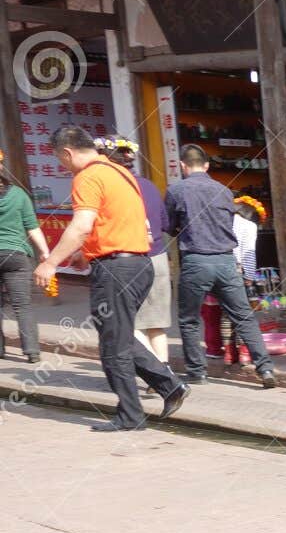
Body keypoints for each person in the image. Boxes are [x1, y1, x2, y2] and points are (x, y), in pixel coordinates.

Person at [34, 124, 186, 431]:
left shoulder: (88, 176)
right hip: (139, 264)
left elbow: (81, 225)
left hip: (117, 269)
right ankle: (168, 385)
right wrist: (83, 253)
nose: (62, 166)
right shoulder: (119, 172)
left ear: (67, 152)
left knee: (113, 345)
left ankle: (132, 414)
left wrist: (50, 263)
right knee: (118, 334)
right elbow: (115, 221)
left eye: (59, 159)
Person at [166, 143, 276, 389]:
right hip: (227, 260)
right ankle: (265, 369)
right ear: (206, 166)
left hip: (196, 260)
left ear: (183, 166)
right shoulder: (224, 191)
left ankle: (197, 372)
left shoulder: (176, 190)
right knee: (244, 317)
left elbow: (169, 225)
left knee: (189, 319)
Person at [101, 136, 175, 374]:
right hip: (159, 257)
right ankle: (164, 367)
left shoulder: (110, 187)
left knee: (130, 323)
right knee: (156, 322)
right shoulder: (150, 186)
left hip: (131, 260)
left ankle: (157, 374)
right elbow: (164, 224)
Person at [0, 148, 46, 364]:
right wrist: (45, 253)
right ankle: (32, 352)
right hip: (17, 256)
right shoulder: (18, 195)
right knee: (23, 305)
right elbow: (32, 227)